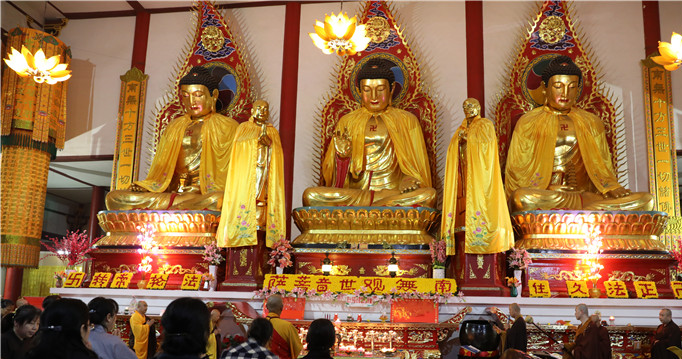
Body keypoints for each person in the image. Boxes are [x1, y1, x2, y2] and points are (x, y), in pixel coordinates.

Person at [505, 55, 653, 212]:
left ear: (578, 89)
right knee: (521, 198)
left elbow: (602, 167)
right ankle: (590, 214)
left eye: (572, 87)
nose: (565, 93)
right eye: (558, 86)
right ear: (544, 87)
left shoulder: (591, 122)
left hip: (585, 196)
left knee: (646, 200)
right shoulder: (529, 121)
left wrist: (610, 187)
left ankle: (591, 211)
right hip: (547, 195)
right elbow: (517, 171)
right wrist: (548, 187)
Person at [303, 57, 436, 207]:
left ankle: (368, 210)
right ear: (359, 91)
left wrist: (408, 179)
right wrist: (342, 159)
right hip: (357, 194)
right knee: (311, 195)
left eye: (380, 90)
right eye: (367, 90)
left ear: (391, 89)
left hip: (391, 191)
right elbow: (333, 181)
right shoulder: (347, 121)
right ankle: (379, 209)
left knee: (428, 195)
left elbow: (416, 167)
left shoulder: (406, 120)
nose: (374, 96)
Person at [106, 65, 239, 211]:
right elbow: (161, 171)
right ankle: (181, 208)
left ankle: (179, 209)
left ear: (213, 95)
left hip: (205, 193)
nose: (191, 102)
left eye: (198, 95)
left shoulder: (228, 127)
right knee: (113, 198)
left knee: (220, 200)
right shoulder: (175, 126)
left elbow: (236, 174)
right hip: (174, 194)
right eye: (186, 96)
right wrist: (147, 186)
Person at [441, 97, 513, 255]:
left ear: (478, 107)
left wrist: (468, 138)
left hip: (479, 170)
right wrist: (458, 141)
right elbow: (453, 150)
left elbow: (487, 145)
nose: (467, 108)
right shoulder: (461, 127)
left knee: (478, 195)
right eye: (464, 106)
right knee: (463, 194)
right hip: (464, 167)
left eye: (471, 105)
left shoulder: (484, 124)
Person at [217, 99, 286, 248]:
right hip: (249, 170)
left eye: (266, 108)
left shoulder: (272, 130)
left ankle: (261, 207)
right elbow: (239, 149)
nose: (263, 111)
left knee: (263, 194)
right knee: (249, 193)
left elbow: (278, 154)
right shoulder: (244, 128)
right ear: (252, 111)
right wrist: (256, 141)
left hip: (265, 168)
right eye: (259, 108)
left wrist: (268, 144)